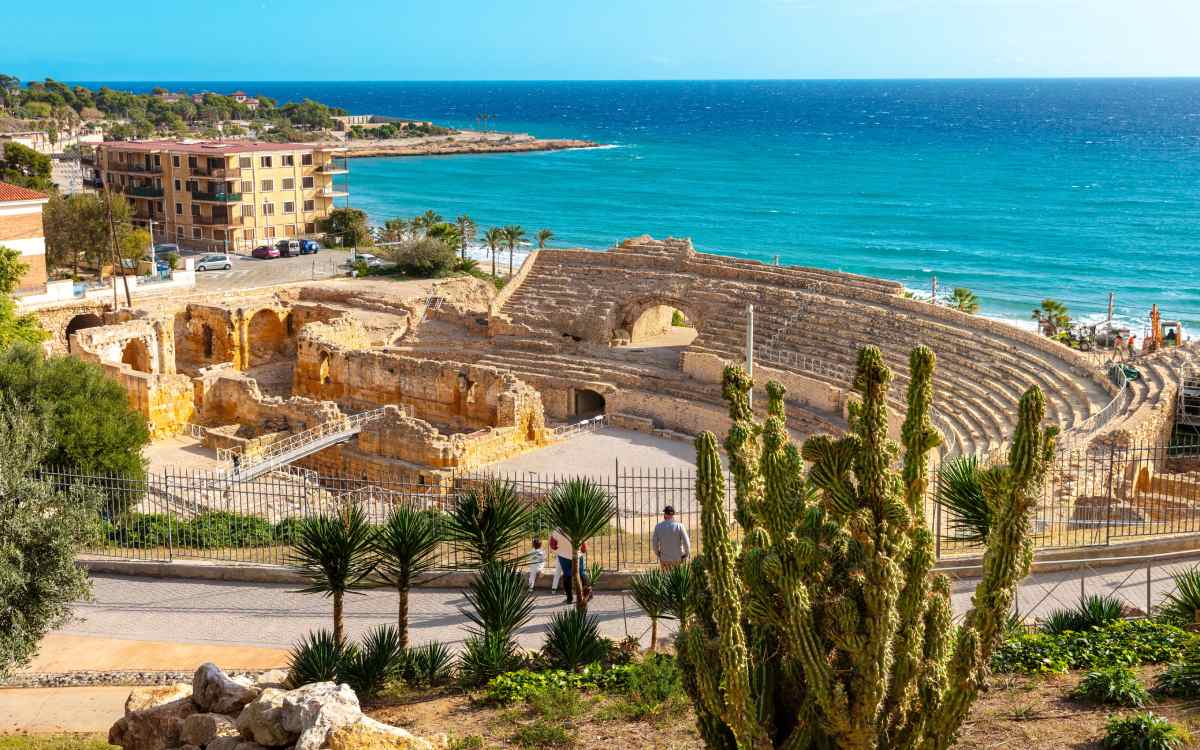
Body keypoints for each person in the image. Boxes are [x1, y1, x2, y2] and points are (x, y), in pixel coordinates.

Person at [549, 528, 590, 605]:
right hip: (577, 555)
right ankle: (588, 595)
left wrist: (559, 549)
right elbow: (583, 546)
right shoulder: (577, 527)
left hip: (563, 556)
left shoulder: (557, 530)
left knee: (567, 576)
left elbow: (553, 545)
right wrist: (583, 549)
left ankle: (569, 598)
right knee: (581, 574)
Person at [652, 505, 691, 570]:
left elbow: (654, 544)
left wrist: (658, 554)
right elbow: (687, 543)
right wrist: (685, 555)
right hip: (677, 558)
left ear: (665, 514)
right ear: (673, 515)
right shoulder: (680, 526)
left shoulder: (658, 526)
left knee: (665, 578)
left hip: (664, 559)